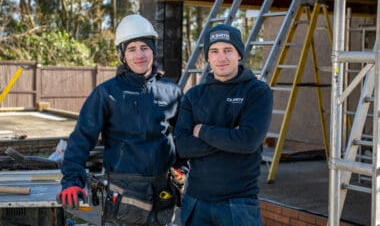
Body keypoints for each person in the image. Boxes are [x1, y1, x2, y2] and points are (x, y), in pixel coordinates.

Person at [57, 14, 186, 226]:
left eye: (144, 47)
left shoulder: (171, 91)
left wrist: (183, 168)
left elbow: (184, 134)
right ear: (122, 55)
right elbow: (81, 139)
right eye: (131, 49)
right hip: (123, 195)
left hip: (163, 194)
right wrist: (72, 180)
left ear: (153, 50)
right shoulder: (107, 94)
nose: (139, 55)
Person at [174, 24, 273, 226]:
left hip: (238, 204)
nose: (221, 58)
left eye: (228, 50)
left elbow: (248, 142)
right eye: (214, 51)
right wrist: (230, 137)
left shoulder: (257, 92)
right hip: (196, 202)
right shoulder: (194, 96)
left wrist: (202, 130)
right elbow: (182, 146)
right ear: (208, 57)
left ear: (239, 54)